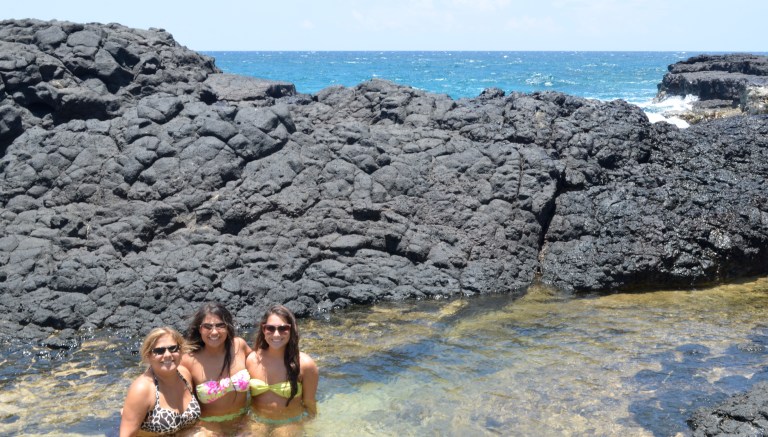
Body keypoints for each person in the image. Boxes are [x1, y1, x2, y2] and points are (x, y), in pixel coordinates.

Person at [244, 305, 319, 436]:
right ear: (263, 329)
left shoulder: (305, 364)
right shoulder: (252, 359)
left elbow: (310, 403)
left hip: (290, 422)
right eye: (270, 328)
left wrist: (307, 426)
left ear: (292, 329)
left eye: (283, 328)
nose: (276, 334)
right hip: (257, 421)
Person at [181, 302, 253, 436]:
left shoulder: (239, 346)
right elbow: (169, 383)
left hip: (243, 421)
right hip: (209, 426)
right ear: (199, 329)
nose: (214, 332)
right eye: (207, 327)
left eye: (220, 325)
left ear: (228, 327)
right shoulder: (188, 360)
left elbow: (261, 362)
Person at [119, 327, 200, 437]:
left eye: (173, 348)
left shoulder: (185, 374)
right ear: (148, 356)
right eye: (159, 351)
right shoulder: (142, 389)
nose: (167, 354)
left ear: (180, 351)